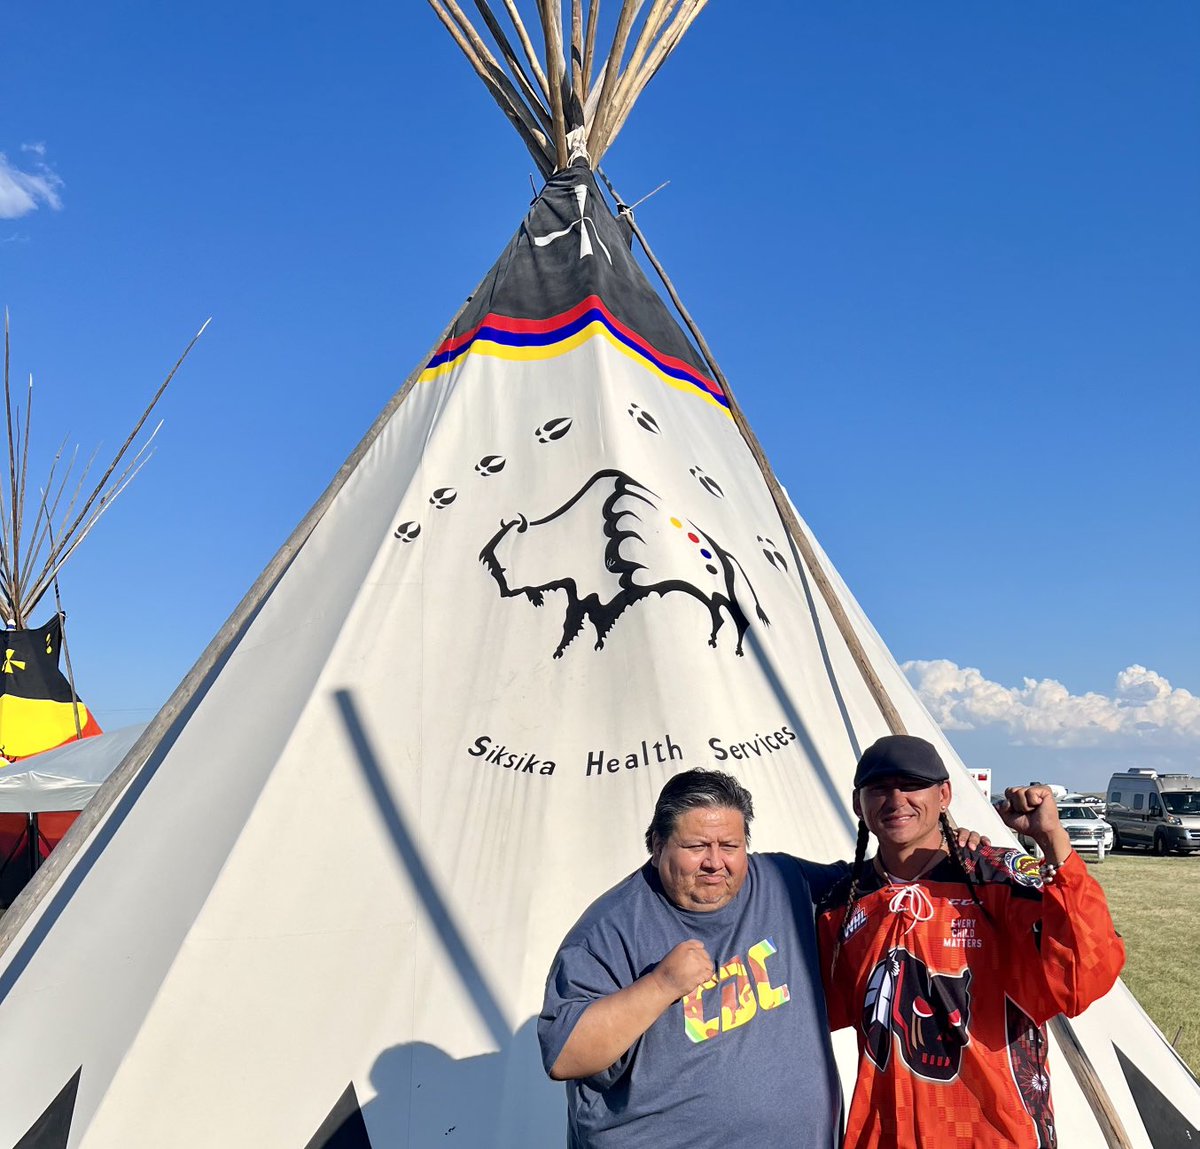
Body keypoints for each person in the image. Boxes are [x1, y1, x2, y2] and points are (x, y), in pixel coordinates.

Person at [817, 735, 1125, 1149]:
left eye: (911, 785)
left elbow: (1081, 978)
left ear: (944, 794)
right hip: (886, 1135)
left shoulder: (996, 877)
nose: (895, 799)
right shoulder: (842, 902)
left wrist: (1052, 841)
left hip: (996, 1133)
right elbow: (814, 1013)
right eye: (879, 788)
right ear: (859, 804)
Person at [538, 768, 845, 1148]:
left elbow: (878, 887)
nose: (715, 862)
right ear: (657, 845)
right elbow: (567, 1056)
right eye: (696, 846)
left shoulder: (782, 881)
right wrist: (660, 985)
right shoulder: (609, 930)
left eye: (729, 846)